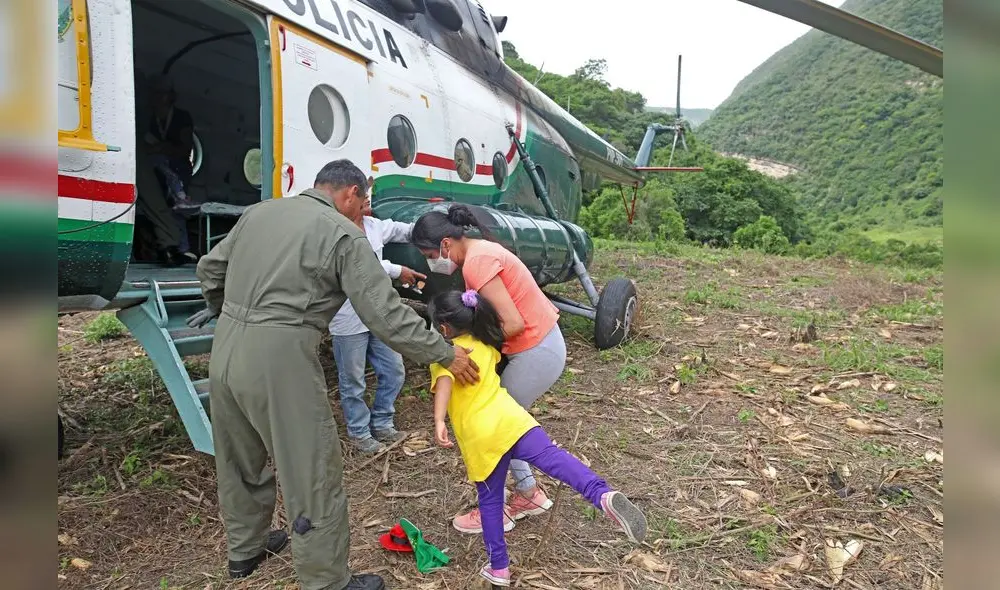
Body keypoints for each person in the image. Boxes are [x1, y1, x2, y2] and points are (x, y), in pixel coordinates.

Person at [192, 160, 480, 590]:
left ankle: (245, 549)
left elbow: (210, 270)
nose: (363, 213)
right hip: (281, 357)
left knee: (238, 458)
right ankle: (327, 580)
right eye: (363, 204)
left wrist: (230, 312)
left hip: (227, 347)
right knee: (311, 469)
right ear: (350, 194)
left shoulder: (261, 212)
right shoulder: (343, 234)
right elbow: (385, 314)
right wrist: (443, 352)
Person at [427, 290, 647, 586]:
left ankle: (499, 567)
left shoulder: (446, 358)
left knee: (490, 502)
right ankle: (601, 494)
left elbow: (443, 386)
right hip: (511, 419)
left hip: (481, 437)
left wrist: (439, 420)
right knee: (555, 458)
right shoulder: (486, 346)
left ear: (443, 329)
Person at [411, 204, 567, 534]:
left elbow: (513, 323)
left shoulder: (478, 263)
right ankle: (528, 493)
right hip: (539, 345)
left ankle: (497, 509)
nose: (430, 262)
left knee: (495, 427)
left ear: (445, 244)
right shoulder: (479, 252)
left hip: (535, 350)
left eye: (429, 254)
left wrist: (473, 348)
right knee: (507, 424)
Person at [329, 187, 428, 454]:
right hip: (348, 317)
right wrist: (397, 270)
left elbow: (407, 231)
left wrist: (434, 224)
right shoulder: (334, 229)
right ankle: (359, 432)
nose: (368, 200)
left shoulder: (375, 226)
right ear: (350, 197)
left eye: (369, 196)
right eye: (363, 196)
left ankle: (382, 422)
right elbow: (361, 265)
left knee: (394, 371)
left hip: (378, 315)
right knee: (353, 380)